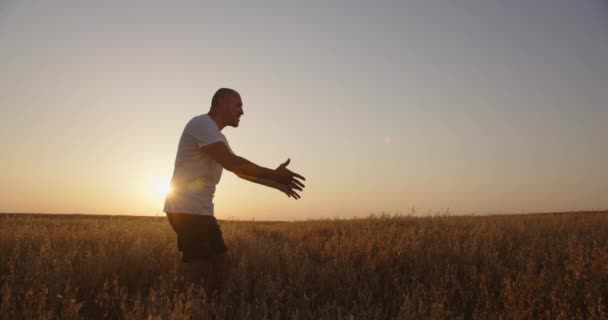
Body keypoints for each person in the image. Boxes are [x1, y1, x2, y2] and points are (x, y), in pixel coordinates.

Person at [164, 88, 305, 294]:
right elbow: (233, 163)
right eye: (238, 105)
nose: (242, 112)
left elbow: (240, 172)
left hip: (199, 211)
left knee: (220, 266)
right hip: (186, 211)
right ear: (221, 102)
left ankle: (204, 304)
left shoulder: (215, 136)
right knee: (200, 271)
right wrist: (274, 174)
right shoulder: (201, 125)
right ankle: (186, 306)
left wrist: (277, 184)